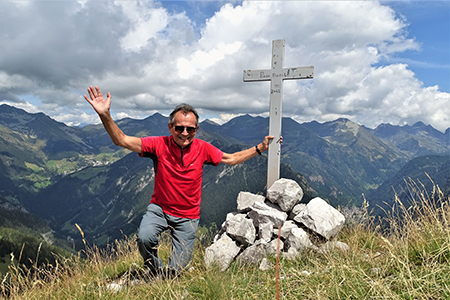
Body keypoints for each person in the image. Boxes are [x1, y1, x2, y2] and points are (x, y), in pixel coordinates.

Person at [84, 86, 278, 278]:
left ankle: (168, 276)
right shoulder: (158, 144)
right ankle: (154, 271)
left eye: (190, 129)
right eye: (179, 128)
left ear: (196, 129)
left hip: (188, 216)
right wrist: (105, 115)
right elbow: (122, 140)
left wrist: (260, 147)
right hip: (159, 209)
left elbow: (232, 158)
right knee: (144, 238)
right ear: (170, 127)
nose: (185, 133)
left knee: (177, 272)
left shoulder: (203, 148)